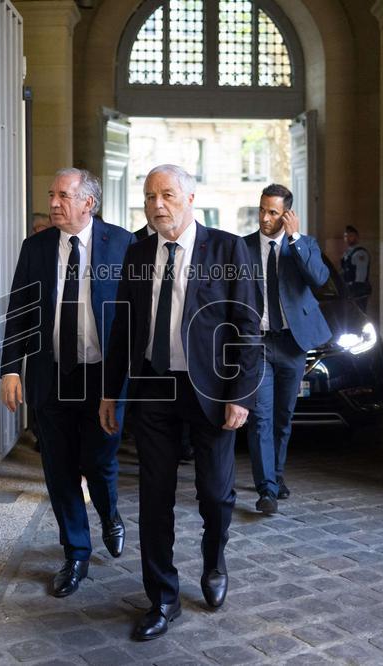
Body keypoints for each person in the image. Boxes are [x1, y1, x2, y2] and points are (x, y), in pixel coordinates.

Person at [100, 164, 260, 640]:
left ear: (191, 198)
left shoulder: (229, 249)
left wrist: (241, 395)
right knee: (154, 497)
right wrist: (112, 391)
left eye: (167, 195)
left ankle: (214, 560)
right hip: (154, 389)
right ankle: (163, 598)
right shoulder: (137, 252)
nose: (157, 205)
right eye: (150, 196)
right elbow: (123, 329)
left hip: (211, 392)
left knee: (214, 493)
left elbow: (248, 328)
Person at [0, 168, 134, 598]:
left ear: (88, 203)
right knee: (58, 471)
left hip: (103, 378)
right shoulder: (36, 247)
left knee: (98, 462)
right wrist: (11, 368)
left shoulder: (124, 244)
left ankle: (110, 513)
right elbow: (19, 309)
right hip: (51, 374)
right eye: (51, 194)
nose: (54, 203)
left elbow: (138, 315)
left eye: (63, 195)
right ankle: (75, 552)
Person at [243, 184, 331, 514]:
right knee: (260, 417)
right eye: (261, 210)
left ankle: (276, 477)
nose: (264, 218)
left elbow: (319, 279)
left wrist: (294, 240)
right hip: (259, 344)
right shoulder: (244, 247)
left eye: (273, 212)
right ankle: (265, 488)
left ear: (287, 215)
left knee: (283, 417)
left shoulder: (304, 245)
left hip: (293, 344)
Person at [340, 224, 371, 312]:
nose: (348, 238)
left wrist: (354, 290)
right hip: (348, 289)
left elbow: (361, 277)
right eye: (346, 236)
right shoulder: (348, 253)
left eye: (351, 235)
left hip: (358, 291)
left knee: (358, 313)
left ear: (357, 237)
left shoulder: (360, 253)